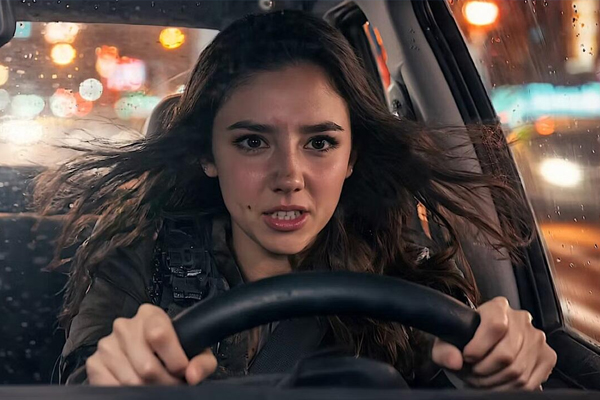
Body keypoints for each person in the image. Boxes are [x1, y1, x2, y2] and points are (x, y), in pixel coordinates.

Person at [35, 10, 556, 389]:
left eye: (320, 143)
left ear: (352, 156)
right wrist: (114, 378)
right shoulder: (136, 265)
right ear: (208, 155)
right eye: (252, 142)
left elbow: (459, 364)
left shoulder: (405, 281)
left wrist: (498, 369)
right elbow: (89, 369)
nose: (289, 177)